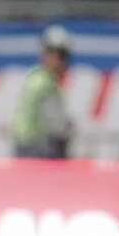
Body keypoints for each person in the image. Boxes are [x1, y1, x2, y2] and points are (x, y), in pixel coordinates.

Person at [13, 25, 73, 159]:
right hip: (39, 151)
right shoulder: (46, 84)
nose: (63, 61)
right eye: (60, 55)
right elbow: (57, 127)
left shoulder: (34, 77)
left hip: (23, 149)